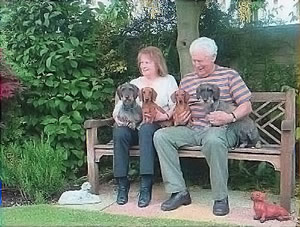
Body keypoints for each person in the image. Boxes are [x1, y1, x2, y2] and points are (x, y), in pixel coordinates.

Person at [153, 37, 252, 216]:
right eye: (194, 60)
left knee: (213, 140)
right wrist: (180, 117)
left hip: (222, 129)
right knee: (161, 136)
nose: (197, 65)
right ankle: (179, 192)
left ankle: (221, 198)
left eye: (201, 61)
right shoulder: (188, 80)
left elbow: (247, 105)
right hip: (193, 129)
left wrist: (229, 116)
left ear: (213, 57)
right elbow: (180, 107)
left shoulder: (230, 75)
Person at [112, 46, 178, 208]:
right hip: (133, 124)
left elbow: (176, 104)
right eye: (141, 63)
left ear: (157, 63)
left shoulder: (168, 80)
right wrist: (116, 117)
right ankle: (122, 184)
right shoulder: (134, 83)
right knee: (119, 132)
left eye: (147, 62)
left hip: (156, 125)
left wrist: (165, 116)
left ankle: (145, 186)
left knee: (147, 129)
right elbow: (120, 105)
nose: (143, 66)